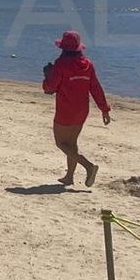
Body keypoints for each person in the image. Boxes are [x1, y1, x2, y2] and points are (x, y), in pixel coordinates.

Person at [41, 30, 111, 187]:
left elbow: (50, 89)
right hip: (82, 110)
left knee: (61, 143)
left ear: (63, 48)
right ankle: (69, 177)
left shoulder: (61, 65)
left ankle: (89, 166)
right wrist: (104, 109)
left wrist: (47, 76)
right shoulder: (88, 65)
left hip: (66, 110)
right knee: (71, 143)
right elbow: (96, 88)